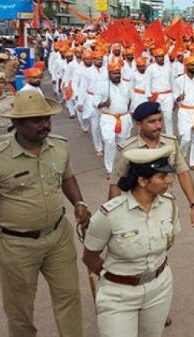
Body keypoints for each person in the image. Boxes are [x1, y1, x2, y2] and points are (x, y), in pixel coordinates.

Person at [0, 90, 91, 337]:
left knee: (69, 297)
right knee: (20, 309)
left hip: (58, 237)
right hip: (17, 245)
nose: (45, 125)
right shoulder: (2, 157)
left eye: (47, 119)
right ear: (17, 123)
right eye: (36, 120)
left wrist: (79, 204)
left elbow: (67, 177)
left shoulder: (59, 147)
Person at [83, 146, 180, 337]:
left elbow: (169, 242)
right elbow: (90, 257)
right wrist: (116, 278)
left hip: (159, 289)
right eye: (162, 177)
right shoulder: (110, 214)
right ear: (142, 181)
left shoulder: (169, 205)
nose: (168, 180)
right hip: (118, 295)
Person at [108, 101, 194, 226]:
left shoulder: (171, 143)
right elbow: (115, 184)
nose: (158, 126)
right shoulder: (127, 150)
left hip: (164, 206)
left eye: (160, 120)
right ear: (139, 124)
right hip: (136, 208)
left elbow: (183, 173)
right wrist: (113, 218)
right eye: (152, 122)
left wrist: (193, 205)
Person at [95, 62, 133, 177]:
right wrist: (103, 103)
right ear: (109, 74)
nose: (116, 75)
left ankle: (122, 166)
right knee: (109, 142)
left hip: (123, 118)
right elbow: (94, 102)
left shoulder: (126, 85)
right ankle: (110, 168)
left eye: (118, 73)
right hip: (108, 118)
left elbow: (131, 100)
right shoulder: (102, 86)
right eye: (114, 73)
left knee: (123, 144)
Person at [174, 56, 194, 171]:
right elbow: (175, 96)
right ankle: (180, 159)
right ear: (186, 66)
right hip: (184, 112)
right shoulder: (179, 80)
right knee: (185, 139)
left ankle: (193, 163)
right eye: (191, 65)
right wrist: (178, 97)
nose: (193, 67)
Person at [145, 48, 175, 136]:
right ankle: (156, 135)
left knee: (168, 117)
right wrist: (149, 96)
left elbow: (172, 83)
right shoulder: (150, 68)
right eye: (159, 57)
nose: (161, 58)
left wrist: (174, 98)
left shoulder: (168, 68)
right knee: (155, 118)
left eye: (162, 56)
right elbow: (147, 83)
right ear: (155, 57)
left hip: (168, 95)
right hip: (156, 96)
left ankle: (170, 136)